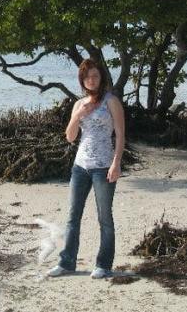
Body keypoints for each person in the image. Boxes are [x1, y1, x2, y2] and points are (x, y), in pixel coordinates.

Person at [47, 58, 125, 279]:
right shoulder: (79, 104)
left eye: (95, 76)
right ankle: (67, 262)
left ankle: (103, 264)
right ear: (82, 79)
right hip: (80, 166)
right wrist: (78, 116)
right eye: (87, 77)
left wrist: (116, 163)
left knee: (104, 217)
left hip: (104, 167)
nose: (91, 80)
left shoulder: (111, 101)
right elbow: (71, 137)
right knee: (73, 216)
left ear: (101, 78)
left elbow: (120, 134)